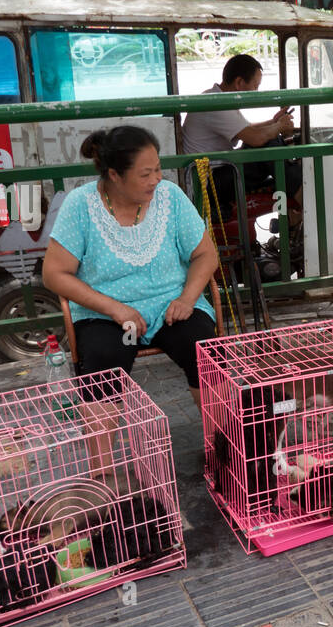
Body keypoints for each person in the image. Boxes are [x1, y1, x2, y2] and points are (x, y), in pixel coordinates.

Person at [43, 126, 220, 465]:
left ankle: (223, 450)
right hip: (109, 316)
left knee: (203, 350)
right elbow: (54, 274)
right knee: (104, 360)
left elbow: (205, 255)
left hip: (171, 307)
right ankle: (103, 472)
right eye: (145, 173)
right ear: (114, 175)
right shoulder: (81, 206)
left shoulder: (170, 197)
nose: (156, 179)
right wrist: (114, 308)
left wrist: (186, 299)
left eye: (158, 168)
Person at [182, 53, 304, 228]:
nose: (256, 92)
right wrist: (278, 127)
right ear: (239, 82)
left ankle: (296, 198)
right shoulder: (216, 104)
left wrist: (273, 122)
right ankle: (303, 198)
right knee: (268, 145)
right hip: (209, 184)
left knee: (270, 142)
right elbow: (255, 138)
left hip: (217, 173)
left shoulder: (217, 97)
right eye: (255, 86)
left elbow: (248, 130)